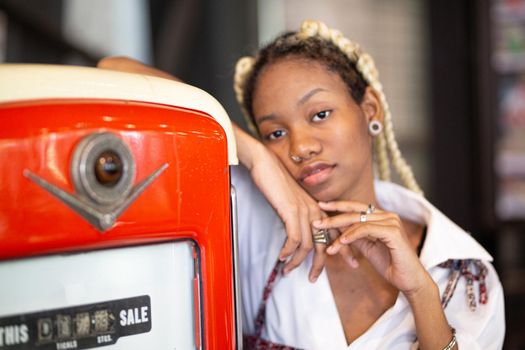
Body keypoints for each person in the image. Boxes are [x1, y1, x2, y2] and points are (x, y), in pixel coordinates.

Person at [98, 20, 505, 349]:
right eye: (275, 133)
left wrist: (422, 294)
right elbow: (113, 71)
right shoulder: (249, 216)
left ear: (369, 109)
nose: (301, 147)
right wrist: (252, 154)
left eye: (320, 114)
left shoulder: (463, 274)